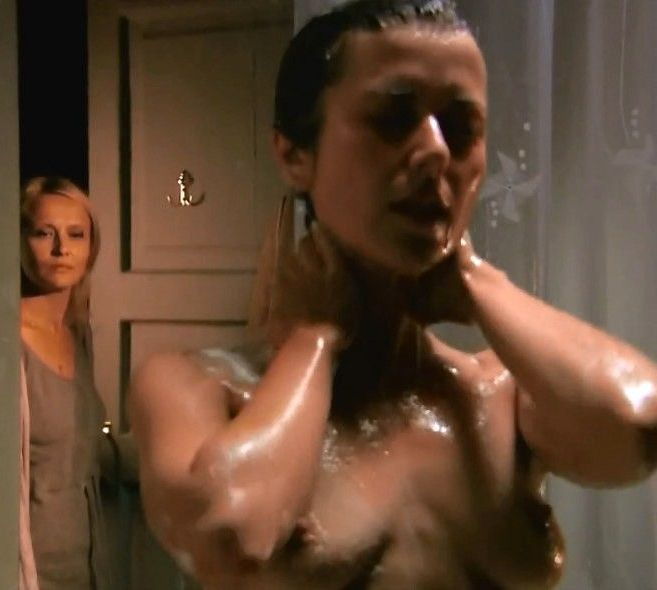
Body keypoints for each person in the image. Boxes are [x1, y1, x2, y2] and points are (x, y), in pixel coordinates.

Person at [129, 1, 657, 588]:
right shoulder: (196, 386)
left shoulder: (499, 395)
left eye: (462, 127)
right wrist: (314, 337)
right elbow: (230, 535)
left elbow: (636, 425)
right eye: (392, 119)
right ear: (294, 155)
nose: (436, 151)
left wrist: (475, 281)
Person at [19, 176, 114, 590]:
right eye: (44, 233)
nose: (62, 249)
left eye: (76, 234)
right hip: (28, 571)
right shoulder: (9, 343)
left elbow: (83, 451)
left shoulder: (77, 333)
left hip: (87, 566)